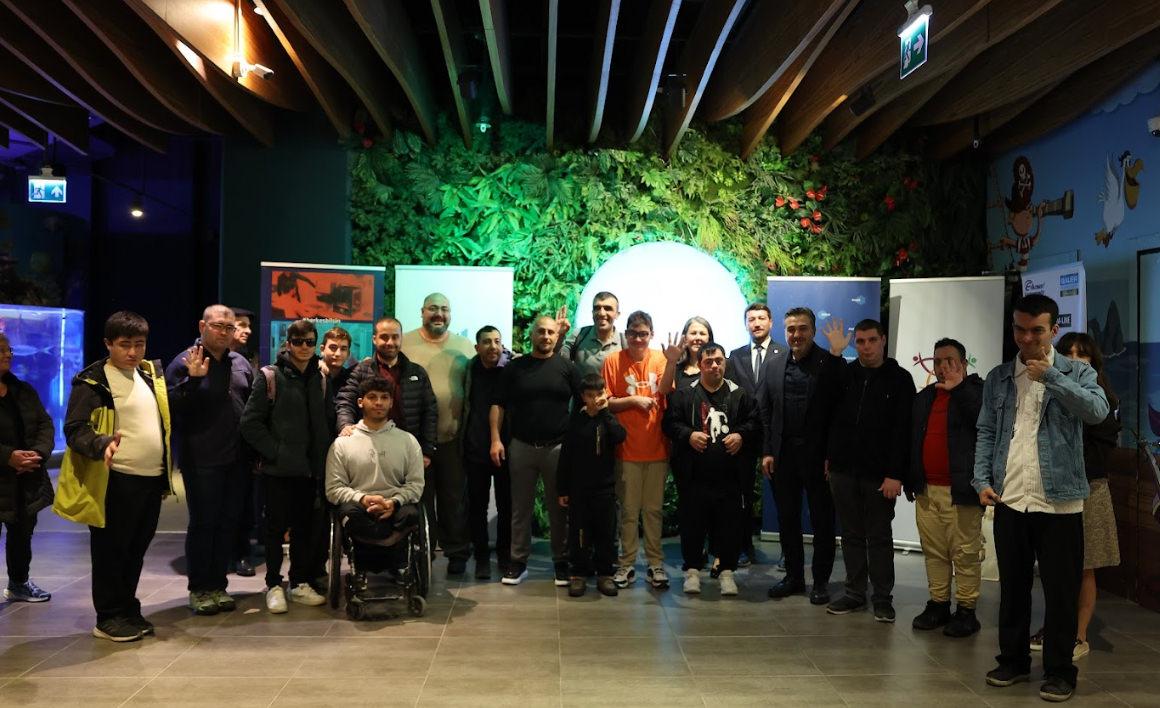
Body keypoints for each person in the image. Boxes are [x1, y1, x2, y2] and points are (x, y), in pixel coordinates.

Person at [974, 294, 1109, 702]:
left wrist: (1052, 377)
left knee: (1061, 592)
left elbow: (1097, 411)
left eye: (1036, 330)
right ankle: (1012, 661)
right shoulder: (999, 377)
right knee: (1013, 589)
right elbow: (986, 431)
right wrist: (980, 478)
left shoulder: (1076, 371)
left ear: (1053, 330)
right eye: (1020, 329)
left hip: (1059, 501)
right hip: (1011, 497)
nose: (1027, 338)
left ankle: (1060, 670)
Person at [60, 311, 173, 642]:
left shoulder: (148, 375)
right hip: (116, 479)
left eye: (139, 344)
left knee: (135, 549)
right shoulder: (93, 381)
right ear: (108, 344)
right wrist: (101, 444)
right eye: (125, 345)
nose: (133, 352)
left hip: (150, 479)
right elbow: (75, 428)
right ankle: (108, 616)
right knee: (111, 550)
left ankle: (126, 609)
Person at [1028, 333, 1121, 661]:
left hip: (1089, 488)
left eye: (1083, 354)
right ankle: (1054, 627)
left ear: (1094, 361)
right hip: (1053, 487)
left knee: (1084, 566)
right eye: (1068, 353)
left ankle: (1078, 635)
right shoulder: (1051, 387)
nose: (1075, 359)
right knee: (1055, 567)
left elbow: (1102, 445)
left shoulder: (1102, 398)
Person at [165, 305, 255, 616]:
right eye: (218, 326)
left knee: (228, 524)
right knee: (204, 524)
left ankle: (218, 586)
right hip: (202, 459)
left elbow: (251, 407)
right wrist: (192, 381)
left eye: (229, 327)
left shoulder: (240, 363)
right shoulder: (184, 361)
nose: (224, 332)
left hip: (237, 459)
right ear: (203, 326)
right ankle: (199, 589)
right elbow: (169, 408)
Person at [824, 320, 914, 623]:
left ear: (883, 340)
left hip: (880, 475)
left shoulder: (900, 379)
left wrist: (895, 473)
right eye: (860, 341)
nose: (866, 347)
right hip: (843, 470)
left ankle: (882, 598)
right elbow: (825, 410)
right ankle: (854, 593)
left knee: (878, 537)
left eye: (872, 340)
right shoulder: (845, 373)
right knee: (850, 534)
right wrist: (835, 356)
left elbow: (903, 430)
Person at [240, 320, 332, 614]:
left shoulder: (320, 378)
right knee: (274, 531)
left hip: (309, 471)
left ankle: (299, 583)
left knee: (305, 530)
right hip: (277, 472)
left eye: (310, 342)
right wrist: (276, 453)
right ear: (288, 343)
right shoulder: (270, 376)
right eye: (298, 341)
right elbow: (250, 423)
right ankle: (273, 585)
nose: (304, 347)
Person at [758, 307, 844, 605]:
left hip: (819, 457)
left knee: (822, 520)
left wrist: (832, 454)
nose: (797, 335)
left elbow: (839, 414)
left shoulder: (829, 363)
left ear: (813, 331)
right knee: (787, 519)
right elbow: (765, 411)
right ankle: (794, 578)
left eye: (803, 328)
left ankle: (820, 582)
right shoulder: (773, 364)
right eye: (791, 329)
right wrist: (767, 450)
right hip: (783, 456)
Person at [664, 343, 760, 597]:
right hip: (694, 476)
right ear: (700, 365)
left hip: (730, 477)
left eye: (718, 361)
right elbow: (669, 423)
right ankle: (692, 572)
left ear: (725, 363)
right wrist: (688, 435)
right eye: (708, 362)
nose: (714, 366)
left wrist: (740, 435)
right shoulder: (685, 394)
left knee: (729, 526)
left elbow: (755, 422)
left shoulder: (740, 394)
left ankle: (727, 573)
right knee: (692, 526)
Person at [490, 315, 579, 586]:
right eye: (541, 331)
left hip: (558, 448)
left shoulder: (567, 368)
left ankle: (561, 562)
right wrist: (495, 439)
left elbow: (584, 403)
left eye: (551, 332)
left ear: (557, 336)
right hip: (521, 446)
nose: (546, 336)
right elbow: (498, 405)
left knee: (559, 509)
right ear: (532, 334)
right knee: (520, 508)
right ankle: (518, 562)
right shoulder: (515, 368)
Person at [909, 338, 985, 637]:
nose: (943, 366)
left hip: (962, 491)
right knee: (934, 552)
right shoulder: (925, 397)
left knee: (965, 553)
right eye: (938, 361)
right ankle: (938, 604)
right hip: (927, 490)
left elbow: (983, 423)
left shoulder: (978, 391)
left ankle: (966, 610)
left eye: (950, 360)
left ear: (964, 364)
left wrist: (960, 389)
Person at [401, 293, 475, 575]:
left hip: (452, 438)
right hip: (414, 441)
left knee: (453, 499)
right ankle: (424, 552)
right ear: (422, 312)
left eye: (444, 309)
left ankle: (457, 552)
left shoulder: (464, 346)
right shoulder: (404, 343)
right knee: (420, 499)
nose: (439, 314)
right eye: (433, 308)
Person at [603, 311, 676, 589]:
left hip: (657, 449)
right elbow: (606, 401)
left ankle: (655, 564)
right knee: (629, 512)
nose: (637, 338)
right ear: (626, 334)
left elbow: (666, 390)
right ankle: (627, 564)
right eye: (633, 333)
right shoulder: (613, 361)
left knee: (653, 511)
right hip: (626, 450)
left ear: (651, 335)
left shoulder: (660, 359)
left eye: (643, 334)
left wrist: (672, 361)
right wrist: (633, 400)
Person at [325, 377, 425, 571]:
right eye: (372, 397)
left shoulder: (408, 441)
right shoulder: (343, 443)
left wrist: (393, 502)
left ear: (391, 402)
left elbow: (416, 485)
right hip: (359, 507)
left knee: (411, 515)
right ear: (360, 402)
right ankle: (368, 563)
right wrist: (363, 499)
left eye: (384, 397)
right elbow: (333, 489)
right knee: (348, 514)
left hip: (395, 505)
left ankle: (396, 563)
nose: (379, 402)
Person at [726, 303, 785, 568]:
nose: (757, 323)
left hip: (776, 434)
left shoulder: (784, 353)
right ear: (746, 324)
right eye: (751, 319)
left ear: (771, 322)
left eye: (762, 318)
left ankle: (788, 553)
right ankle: (743, 548)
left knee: (784, 496)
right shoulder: (735, 356)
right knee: (742, 496)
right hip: (745, 434)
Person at [336, 317, 437, 471]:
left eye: (395, 337)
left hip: (409, 451)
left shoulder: (417, 372)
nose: (390, 342)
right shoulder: (361, 370)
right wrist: (346, 425)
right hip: (369, 450)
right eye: (384, 337)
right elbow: (345, 401)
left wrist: (427, 450)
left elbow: (430, 411)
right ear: (374, 339)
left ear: (401, 339)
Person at [558, 373, 626, 598]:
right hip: (579, 489)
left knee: (605, 532)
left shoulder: (608, 419)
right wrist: (563, 489)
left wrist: (605, 412)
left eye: (599, 394)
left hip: (604, 488)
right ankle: (578, 573)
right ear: (582, 396)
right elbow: (566, 457)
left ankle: (605, 573)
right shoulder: (576, 421)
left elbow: (620, 437)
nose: (595, 399)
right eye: (590, 395)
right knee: (579, 532)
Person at [0, 332, 55, 603]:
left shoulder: (23, 390)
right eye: (1, 351)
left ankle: (19, 583)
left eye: (8, 350)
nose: (7, 355)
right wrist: (7, 457)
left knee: (22, 533)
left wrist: (37, 454)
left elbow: (45, 424)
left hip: (25, 478)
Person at [462, 326, 512, 579]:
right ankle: (481, 557)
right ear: (477, 347)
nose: (493, 346)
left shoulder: (511, 369)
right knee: (477, 506)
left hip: (507, 448)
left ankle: (505, 556)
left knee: (507, 505)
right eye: (487, 342)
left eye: (497, 341)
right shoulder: (469, 370)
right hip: (476, 447)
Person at [228, 305, 258, 577]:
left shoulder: (244, 362)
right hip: (210, 448)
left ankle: (240, 553)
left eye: (249, 326)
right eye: (242, 325)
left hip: (241, 447)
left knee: (242, 503)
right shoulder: (195, 358)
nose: (247, 330)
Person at [557, 291, 626, 377]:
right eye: (597, 308)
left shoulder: (625, 342)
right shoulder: (579, 335)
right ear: (592, 312)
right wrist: (559, 335)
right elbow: (560, 360)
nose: (602, 313)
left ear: (617, 314)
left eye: (607, 308)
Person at [674, 317, 713, 390]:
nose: (698, 338)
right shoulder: (674, 368)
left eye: (702, 334)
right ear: (685, 338)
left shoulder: (717, 367)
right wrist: (671, 362)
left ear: (709, 338)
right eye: (693, 333)